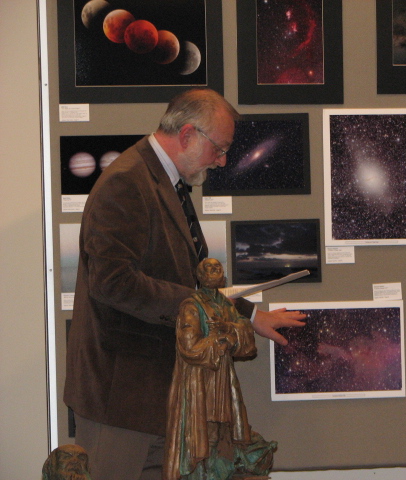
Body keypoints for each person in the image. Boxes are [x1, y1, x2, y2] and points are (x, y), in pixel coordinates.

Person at [64, 88, 306, 480]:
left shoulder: (163, 180)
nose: (223, 160)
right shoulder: (127, 183)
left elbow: (184, 274)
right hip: (121, 398)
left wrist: (251, 316)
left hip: (156, 396)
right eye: (220, 148)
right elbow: (113, 283)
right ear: (189, 134)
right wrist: (200, 310)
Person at [164, 258, 276, 480]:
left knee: (225, 426)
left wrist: (228, 330)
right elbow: (189, 346)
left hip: (223, 377)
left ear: (223, 276)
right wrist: (221, 340)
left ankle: (219, 468)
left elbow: (247, 342)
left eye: (218, 268)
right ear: (200, 276)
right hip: (199, 380)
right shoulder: (191, 306)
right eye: (209, 268)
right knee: (205, 430)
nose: (214, 271)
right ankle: (203, 472)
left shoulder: (225, 305)